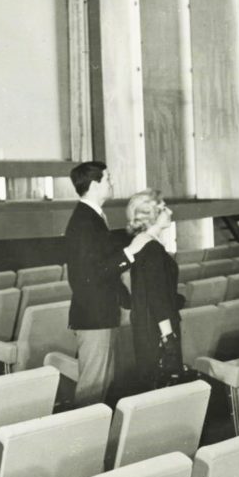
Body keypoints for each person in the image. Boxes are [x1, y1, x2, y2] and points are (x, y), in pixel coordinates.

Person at [64, 161, 151, 405]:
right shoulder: (84, 221)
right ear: (94, 185)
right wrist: (130, 253)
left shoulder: (93, 217)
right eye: (108, 179)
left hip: (102, 313)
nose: (112, 183)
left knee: (101, 385)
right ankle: (83, 441)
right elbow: (88, 275)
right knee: (92, 389)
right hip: (94, 316)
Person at [125, 189, 186, 390]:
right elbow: (157, 296)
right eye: (163, 208)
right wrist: (168, 337)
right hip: (157, 329)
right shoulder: (151, 248)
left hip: (150, 325)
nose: (170, 211)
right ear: (153, 216)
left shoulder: (147, 244)